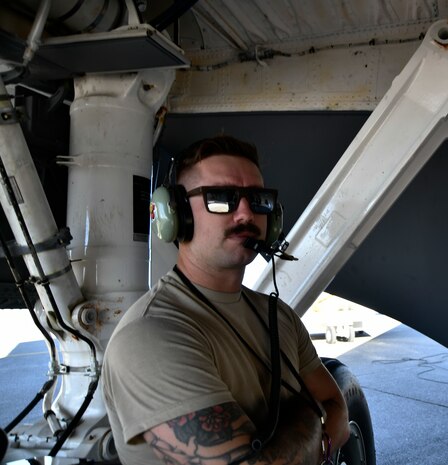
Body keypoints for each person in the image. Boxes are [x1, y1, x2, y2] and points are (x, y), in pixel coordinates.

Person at [102, 135, 350, 465]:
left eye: (258, 199)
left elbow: (335, 405)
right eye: (221, 198)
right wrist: (308, 414)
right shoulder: (151, 335)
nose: (246, 213)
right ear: (175, 215)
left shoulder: (280, 317)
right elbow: (322, 412)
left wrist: (312, 437)